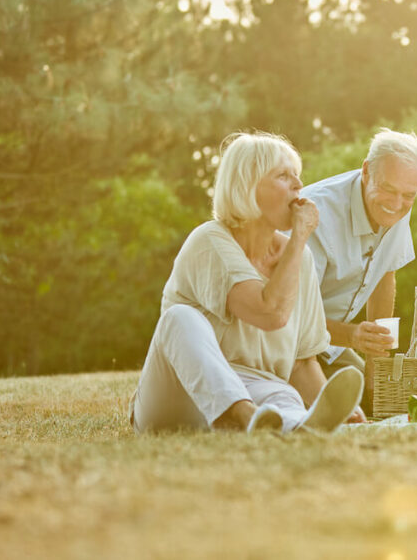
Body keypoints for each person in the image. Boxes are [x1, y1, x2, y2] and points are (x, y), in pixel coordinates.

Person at [129, 132, 364, 434]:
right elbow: (270, 313)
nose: (298, 185)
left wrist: (336, 411)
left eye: (297, 175)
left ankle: (299, 424)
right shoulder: (210, 241)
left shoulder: (298, 259)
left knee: (285, 396)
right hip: (179, 393)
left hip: (258, 389)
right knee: (179, 318)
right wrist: (301, 236)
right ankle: (244, 416)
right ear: (247, 186)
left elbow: (302, 364)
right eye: (283, 175)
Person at [299, 128, 417, 407]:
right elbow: (293, 317)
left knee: (380, 400)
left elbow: (385, 277)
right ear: (366, 171)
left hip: (331, 345)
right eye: (387, 189)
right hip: (287, 346)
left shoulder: (397, 207)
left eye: (409, 195)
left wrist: (375, 366)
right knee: (333, 409)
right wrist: (351, 336)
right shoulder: (318, 215)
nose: (397, 204)